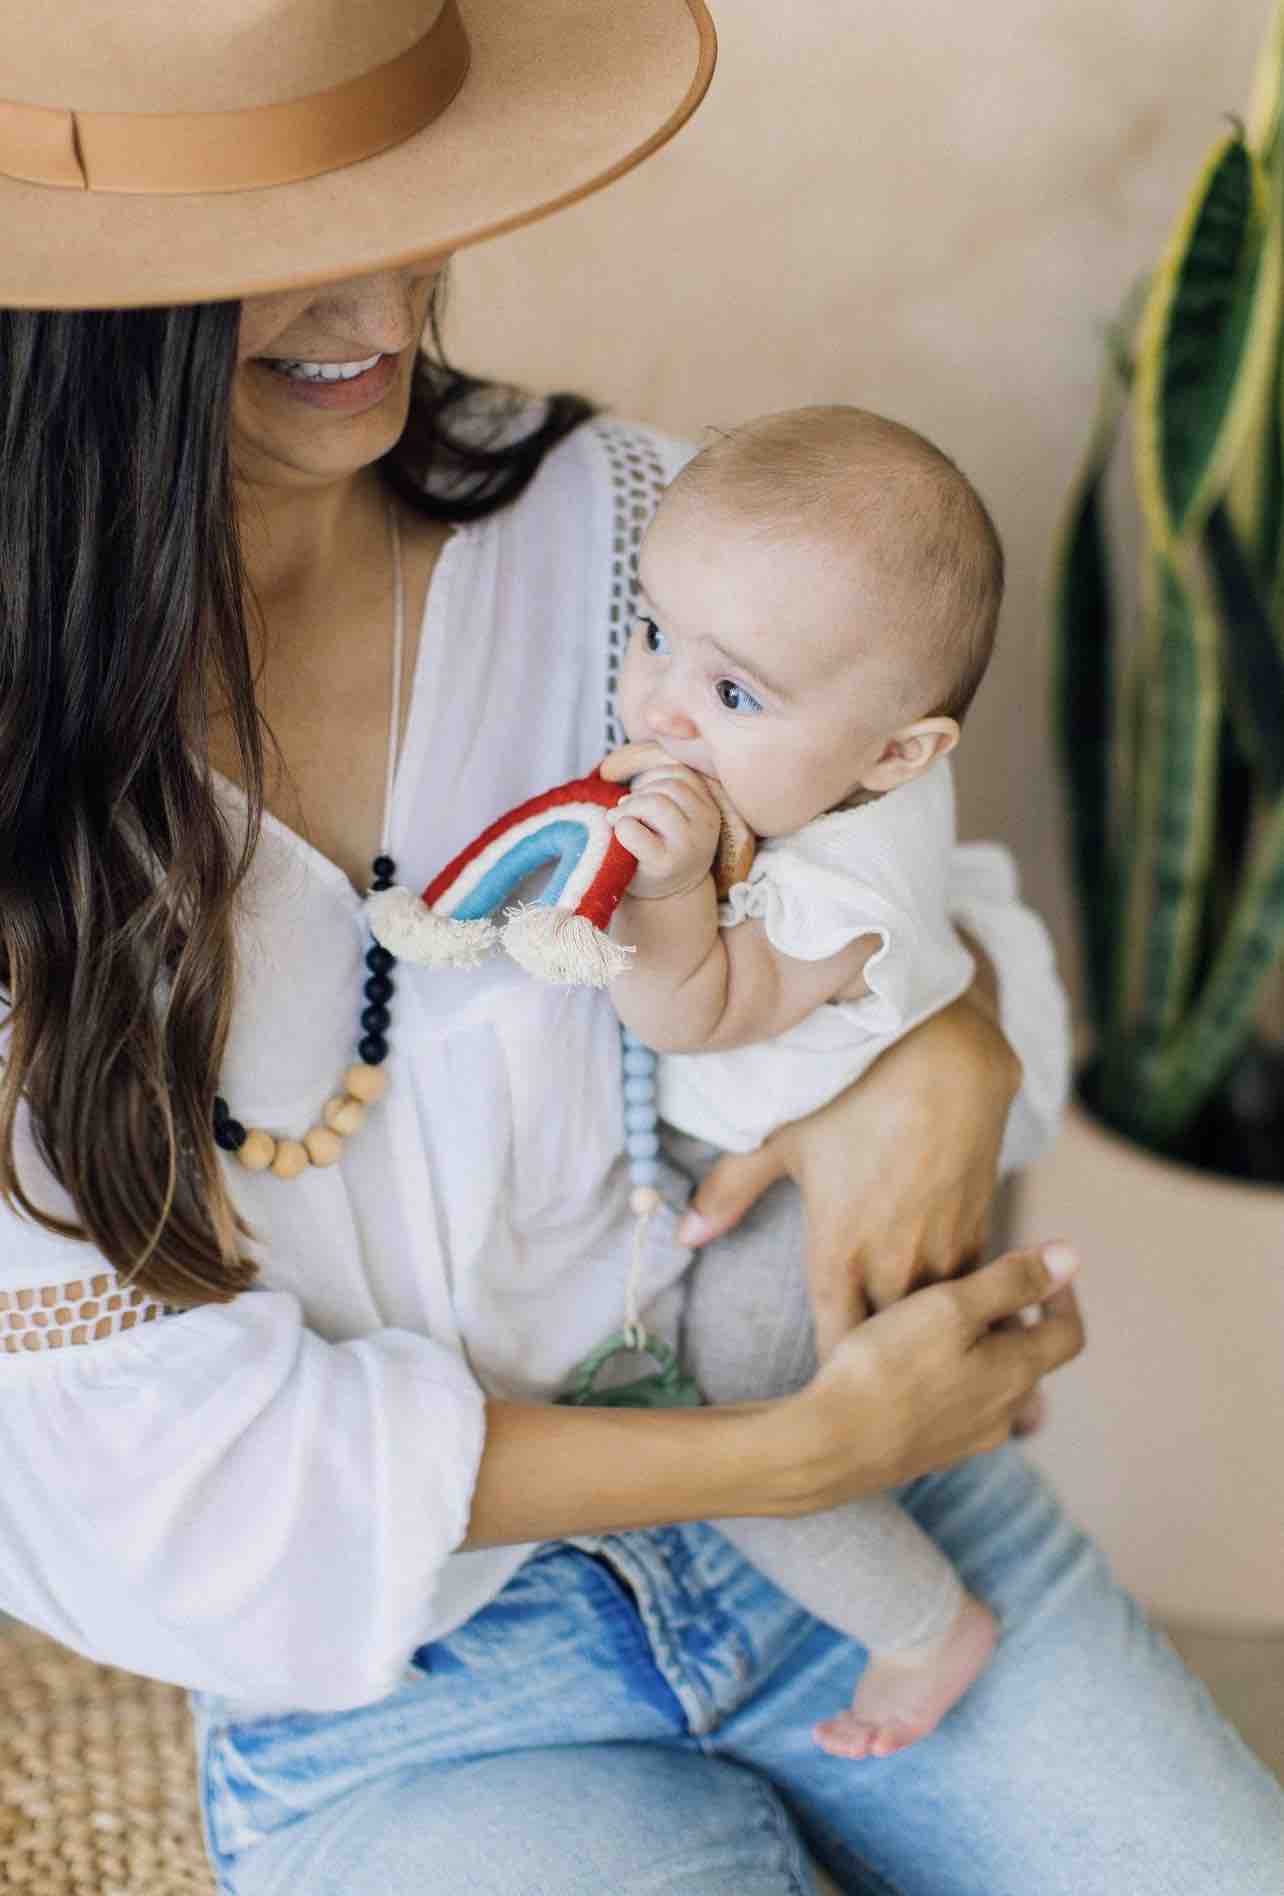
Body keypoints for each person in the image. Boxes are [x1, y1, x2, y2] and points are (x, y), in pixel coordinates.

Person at [0, 6, 1278, 1895]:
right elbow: (166, 1475)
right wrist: (790, 1454)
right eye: (273, 257)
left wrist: (950, 1054)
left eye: (409, 210)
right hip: (410, 1669)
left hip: (888, 1532)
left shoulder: (619, 531)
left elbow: (899, 869)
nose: (384, 302)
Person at [606, 405, 1011, 1759]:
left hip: (799, 1224)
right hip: (794, 1158)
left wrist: (661, 890)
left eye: (732, 696)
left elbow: (693, 1011)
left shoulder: (842, 890)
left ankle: (922, 1626)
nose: (660, 702)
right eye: (653, 632)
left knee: (749, 1434)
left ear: (899, 756)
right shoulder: (816, 774)